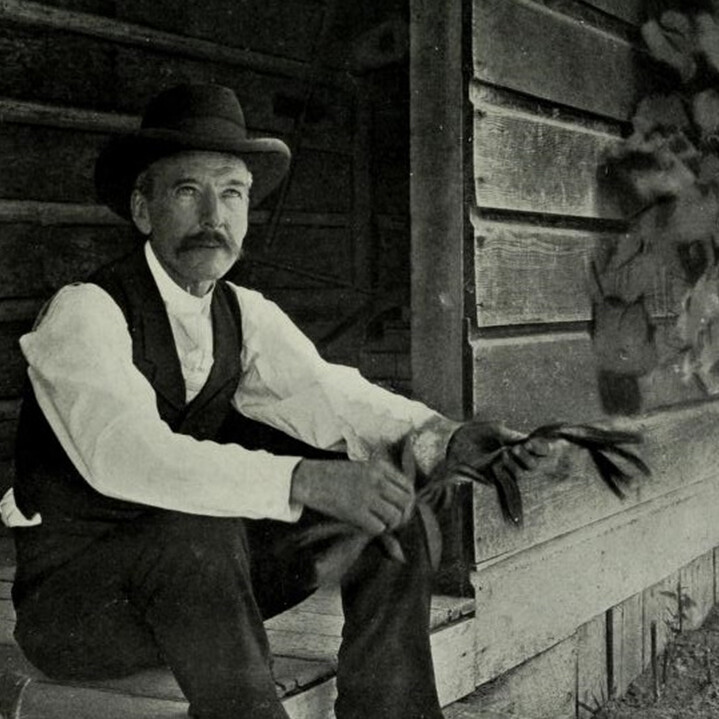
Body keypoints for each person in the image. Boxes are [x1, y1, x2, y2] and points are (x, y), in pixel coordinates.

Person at [1, 84, 545, 719]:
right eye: (187, 191)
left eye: (232, 193)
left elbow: (328, 392)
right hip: (82, 610)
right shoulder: (85, 312)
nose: (214, 215)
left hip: (197, 594)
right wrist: (305, 478)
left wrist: (440, 436)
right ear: (142, 210)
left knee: (384, 507)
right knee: (196, 532)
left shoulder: (239, 311)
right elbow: (128, 457)